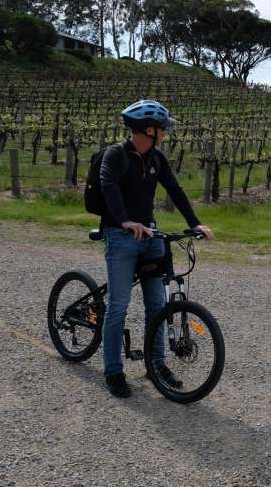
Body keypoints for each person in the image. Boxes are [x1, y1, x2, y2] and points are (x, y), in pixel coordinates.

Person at [98, 99, 214, 398]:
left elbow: (175, 190)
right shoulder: (116, 154)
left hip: (150, 234)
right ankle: (112, 370)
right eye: (162, 128)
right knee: (118, 305)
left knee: (157, 306)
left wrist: (196, 223)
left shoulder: (156, 159)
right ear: (148, 129)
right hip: (120, 236)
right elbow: (107, 186)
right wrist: (124, 221)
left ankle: (156, 365)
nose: (166, 132)